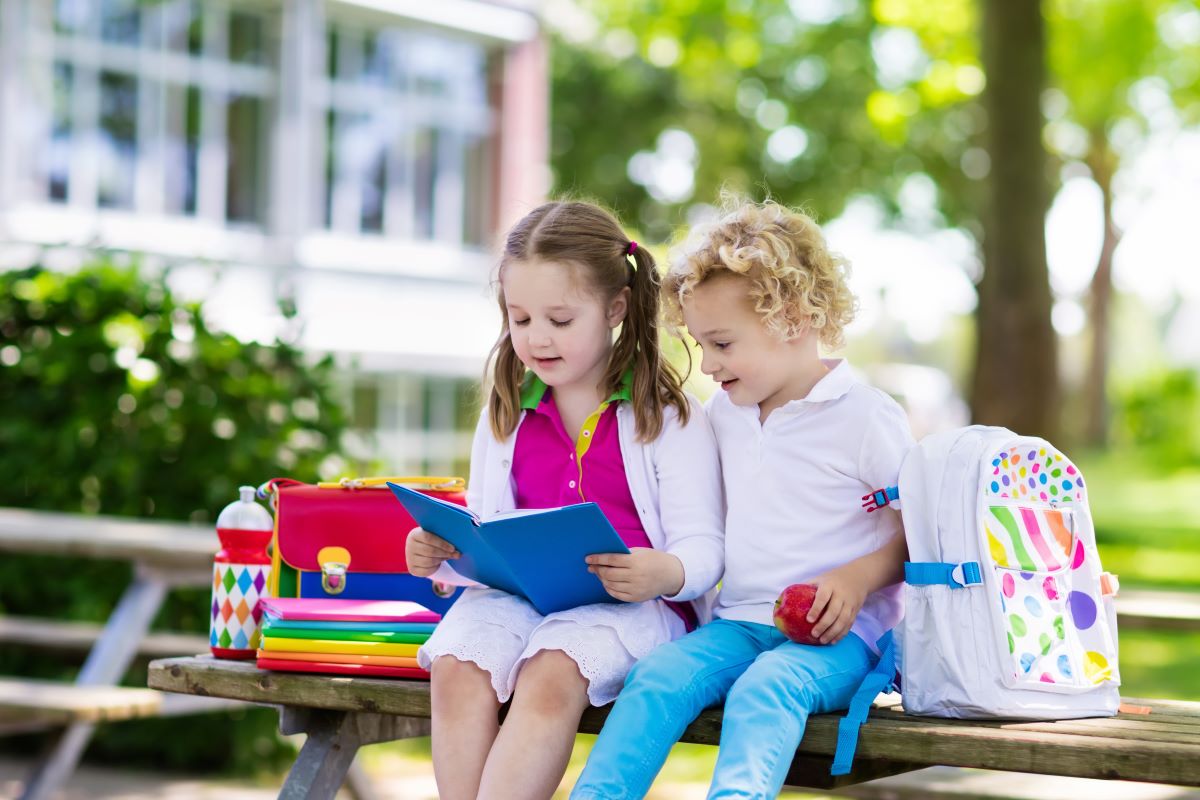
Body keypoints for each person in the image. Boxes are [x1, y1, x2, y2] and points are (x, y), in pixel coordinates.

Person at [571, 199, 915, 800]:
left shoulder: (865, 417)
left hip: (842, 638)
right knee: (656, 677)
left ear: (791, 318)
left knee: (766, 689)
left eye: (723, 344)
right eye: (701, 346)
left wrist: (859, 578)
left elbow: (920, 529)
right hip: (741, 624)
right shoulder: (720, 416)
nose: (707, 365)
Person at [404, 200, 725, 800]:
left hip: (634, 609)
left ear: (615, 309)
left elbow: (705, 547)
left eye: (559, 319)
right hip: (521, 601)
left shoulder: (669, 417)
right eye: (520, 319)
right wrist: (439, 551)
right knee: (456, 668)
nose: (537, 338)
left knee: (551, 673)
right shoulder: (505, 413)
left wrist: (667, 572)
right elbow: (485, 530)